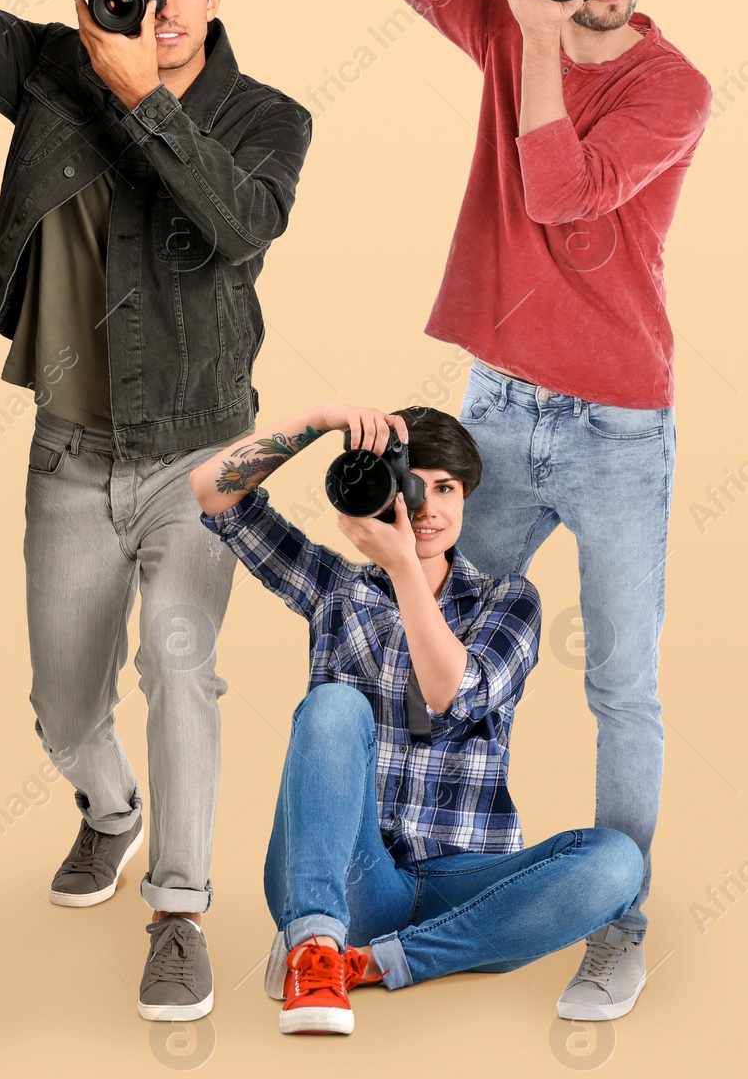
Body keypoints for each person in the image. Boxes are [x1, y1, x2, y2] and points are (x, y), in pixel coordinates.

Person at [0, 0, 311, 1020]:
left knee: (181, 664)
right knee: (62, 709)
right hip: (70, 451)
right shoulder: (49, 68)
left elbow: (239, 225)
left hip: (204, 454)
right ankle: (111, 810)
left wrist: (143, 93)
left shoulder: (270, 116)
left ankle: (177, 914)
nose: (161, 10)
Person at [352, 0, 712, 1019]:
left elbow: (560, 194)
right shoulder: (513, 19)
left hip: (615, 427)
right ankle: (424, 875)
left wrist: (539, 31)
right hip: (499, 409)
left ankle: (617, 924)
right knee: (439, 644)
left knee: (620, 685)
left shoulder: (673, 86)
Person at [189, 402, 642, 1036]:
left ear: (467, 497)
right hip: (352, 874)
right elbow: (215, 489)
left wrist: (405, 567)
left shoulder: (508, 600)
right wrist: (321, 422)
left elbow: (451, 698)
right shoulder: (334, 587)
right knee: (334, 703)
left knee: (618, 863)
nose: (425, 507)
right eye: (411, 485)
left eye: (447, 488)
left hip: (470, 885)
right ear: (375, 492)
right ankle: (315, 947)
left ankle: (372, 963)